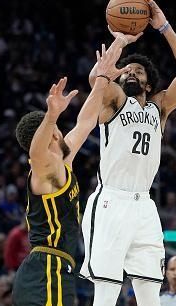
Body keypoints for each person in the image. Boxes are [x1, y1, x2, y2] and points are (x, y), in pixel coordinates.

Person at [80, 1, 176, 305]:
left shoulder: (159, 106)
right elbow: (96, 81)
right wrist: (121, 40)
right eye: (127, 70)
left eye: (139, 70)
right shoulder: (115, 100)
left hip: (144, 205)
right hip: (111, 201)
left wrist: (164, 27)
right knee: (106, 293)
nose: (132, 73)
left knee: (150, 295)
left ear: (149, 80)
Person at [12, 41, 129, 306]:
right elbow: (38, 153)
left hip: (56, 268)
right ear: (52, 133)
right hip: (46, 268)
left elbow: (86, 122)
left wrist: (102, 77)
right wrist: (51, 117)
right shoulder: (44, 168)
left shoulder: (63, 158)